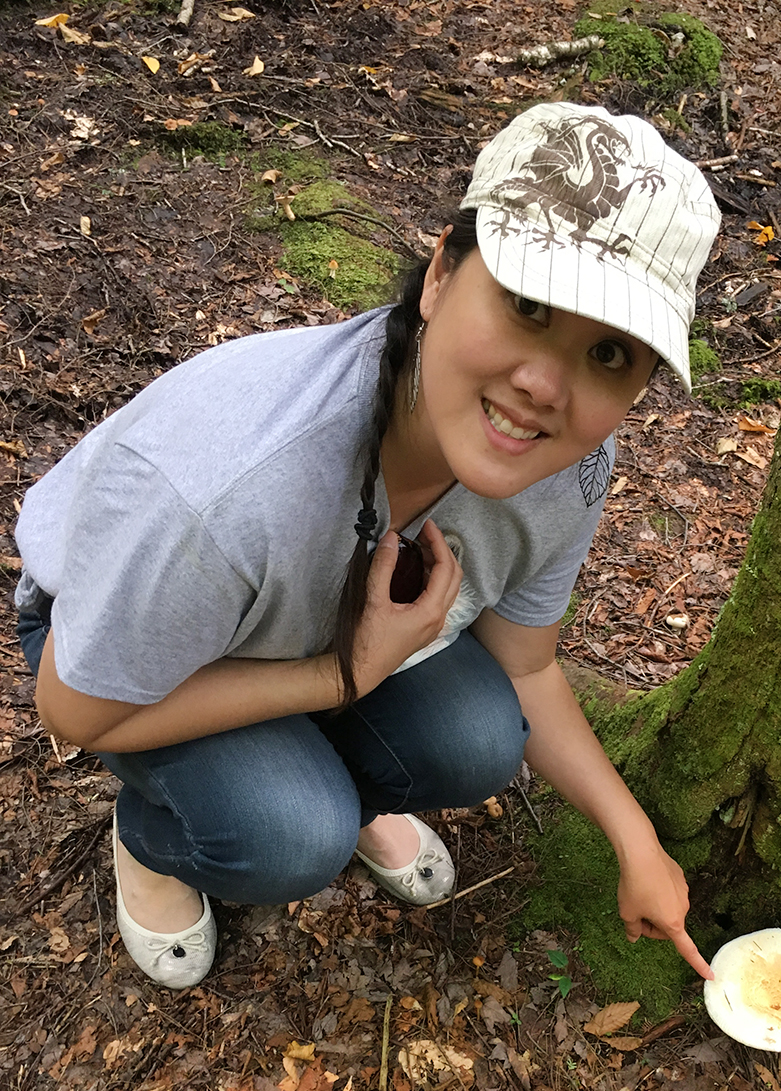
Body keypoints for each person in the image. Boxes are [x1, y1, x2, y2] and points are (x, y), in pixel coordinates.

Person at [14, 102, 721, 990]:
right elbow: (72, 713)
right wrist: (340, 677)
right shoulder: (234, 487)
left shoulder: (568, 469)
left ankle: (337, 780)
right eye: (528, 306)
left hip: (323, 636)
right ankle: (155, 841)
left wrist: (636, 839)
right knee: (289, 834)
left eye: (611, 354)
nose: (546, 387)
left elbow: (528, 667)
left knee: (478, 738)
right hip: (122, 643)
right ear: (440, 274)